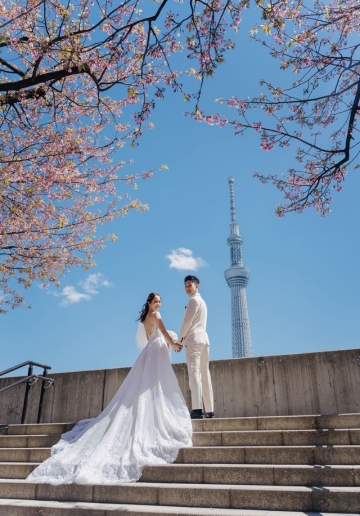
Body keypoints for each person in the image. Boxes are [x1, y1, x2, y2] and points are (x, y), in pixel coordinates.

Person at [26, 293, 192, 485]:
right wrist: (173, 343)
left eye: (160, 301)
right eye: (156, 301)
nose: (158, 304)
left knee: (147, 385)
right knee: (156, 384)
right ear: (149, 302)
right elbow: (162, 332)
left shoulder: (144, 319)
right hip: (157, 350)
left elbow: (148, 338)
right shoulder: (156, 316)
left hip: (149, 352)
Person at [177, 275, 214, 419]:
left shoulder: (193, 301)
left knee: (194, 374)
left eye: (189, 285)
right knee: (205, 375)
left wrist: (179, 341)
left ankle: (197, 408)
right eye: (185, 286)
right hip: (204, 340)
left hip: (193, 340)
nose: (187, 288)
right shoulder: (203, 302)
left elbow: (187, 323)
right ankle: (210, 410)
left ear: (196, 286)